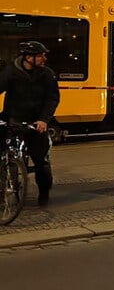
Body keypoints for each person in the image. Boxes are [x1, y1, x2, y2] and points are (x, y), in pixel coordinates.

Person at [0, 41, 60, 206]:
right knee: (3, 155)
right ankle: (2, 189)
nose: (44, 58)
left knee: (41, 160)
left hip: (36, 122)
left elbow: (52, 98)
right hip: (13, 118)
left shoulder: (47, 74)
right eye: (41, 55)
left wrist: (44, 120)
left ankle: (44, 191)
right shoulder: (11, 71)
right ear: (28, 58)